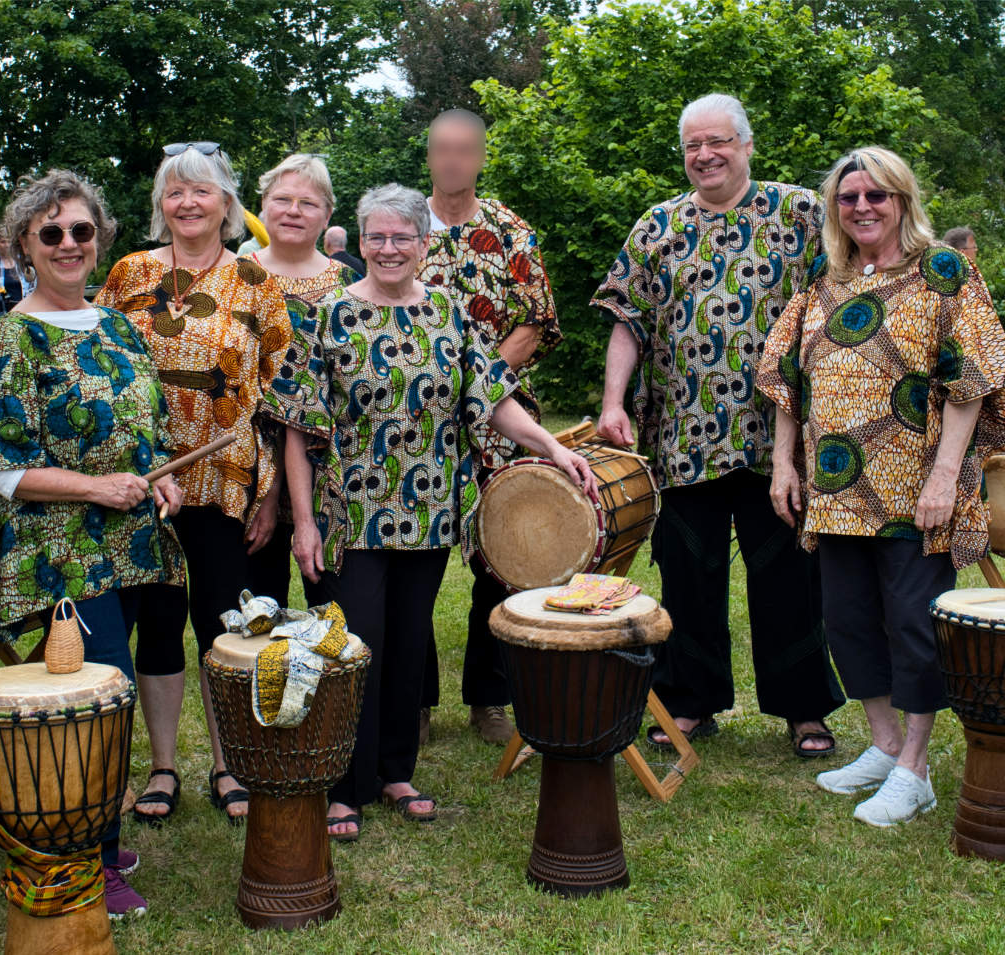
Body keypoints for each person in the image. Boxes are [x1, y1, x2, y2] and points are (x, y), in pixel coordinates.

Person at [266, 183, 596, 841]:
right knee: (355, 649)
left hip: (426, 515)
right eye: (376, 237)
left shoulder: (448, 312)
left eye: (401, 238)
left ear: (422, 245)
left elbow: (491, 399)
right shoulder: (325, 318)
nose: (388, 248)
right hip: (347, 516)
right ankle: (342, 785)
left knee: (408, 645)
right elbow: (298, 431)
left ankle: (394, 772)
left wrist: (554, 446)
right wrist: (302, 521)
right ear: (361, 244)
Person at [758, 147, 1005, 826]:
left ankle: (915, 769)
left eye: (877, 195)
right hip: (836, 489)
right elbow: (785, 379)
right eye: (848, 197)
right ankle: (885, 744)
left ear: (902, 200)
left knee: (912, 624)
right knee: (850, 622)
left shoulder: (943, 273)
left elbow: (973, 378)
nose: (862, 207)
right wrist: (785, 464)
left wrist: (946, 477)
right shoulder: (825, 278)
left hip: (912, 490)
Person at [592, 93, 845, 757]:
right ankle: (689, 701)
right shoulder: (658, 226)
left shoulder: (800, 212)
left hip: (779, 439)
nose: (704, 155)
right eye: (692, 146)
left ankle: (805, 709)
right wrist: (614, 400)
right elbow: (627, 321)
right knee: (688, 580)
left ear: (746, 145)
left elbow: (842, 302)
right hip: (686, 438)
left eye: (718, 142)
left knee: (790, 577)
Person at [0, 168, 186, 916]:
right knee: (98, 700)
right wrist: (95, 488)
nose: (68, 244)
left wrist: (160, 479)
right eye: (50, 232)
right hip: (63, 550)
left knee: (109, 696)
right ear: (23, 243)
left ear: (101, 240)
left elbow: (145, 426)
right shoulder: (12, 336)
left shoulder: (117, 323)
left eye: (81, 231)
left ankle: (92, 829)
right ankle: (90, 858)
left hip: (134, 541)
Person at [96, 142, 292, 825]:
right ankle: (163, 765)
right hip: (145, 482)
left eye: (201, 191)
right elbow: (101, 368)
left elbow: (280, 391)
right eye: (174, 192)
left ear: (226, 203)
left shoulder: (256, 280)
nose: (187, 203)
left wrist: (271, 492)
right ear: (162, 204)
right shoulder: (129, 274)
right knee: (155, 624)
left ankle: (228, 761)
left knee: (220, 622)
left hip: (225, 481)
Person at [417, 107, 565, 746]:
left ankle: (490, 697)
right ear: (428, 156)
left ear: (480, 157)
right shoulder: (399, 225)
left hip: (500, 418)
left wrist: (473, 385)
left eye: (463, 151)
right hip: (412, 421)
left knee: (505, 556)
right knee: (410, 555)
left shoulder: (510, 231)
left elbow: (534, 323)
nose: (452, 162)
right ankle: (414, 699)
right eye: (440, 151)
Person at [247, 154, 361, 602]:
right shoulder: (235, 275)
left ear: (328, 215)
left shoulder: (350, 284)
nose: (294, 211)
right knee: (254, 611)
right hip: (248, 469)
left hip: (329, 464)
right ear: (263, 206)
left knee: (335, 610)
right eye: (282, 199)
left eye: (308, 203)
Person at [0, 234, 24, 318]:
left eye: (9, 242)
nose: (6, 245)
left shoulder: (22, 262)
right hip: (1, 314)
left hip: (23, 313)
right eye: (3, 242)